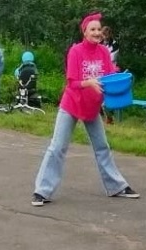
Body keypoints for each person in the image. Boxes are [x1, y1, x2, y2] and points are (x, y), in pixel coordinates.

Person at [32, 13, 138, 205]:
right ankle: (42, 191)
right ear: (85, 32)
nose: (97, 32)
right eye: (93, 29)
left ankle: (117, 187)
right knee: (57, 147)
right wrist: (89, 82)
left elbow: (107, 78)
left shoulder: (104, 52)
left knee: (102, 147)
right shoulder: (76, 51)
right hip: (72, 104)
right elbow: (72, 82)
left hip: (92, 106)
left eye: (99, 29)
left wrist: (119, 82)